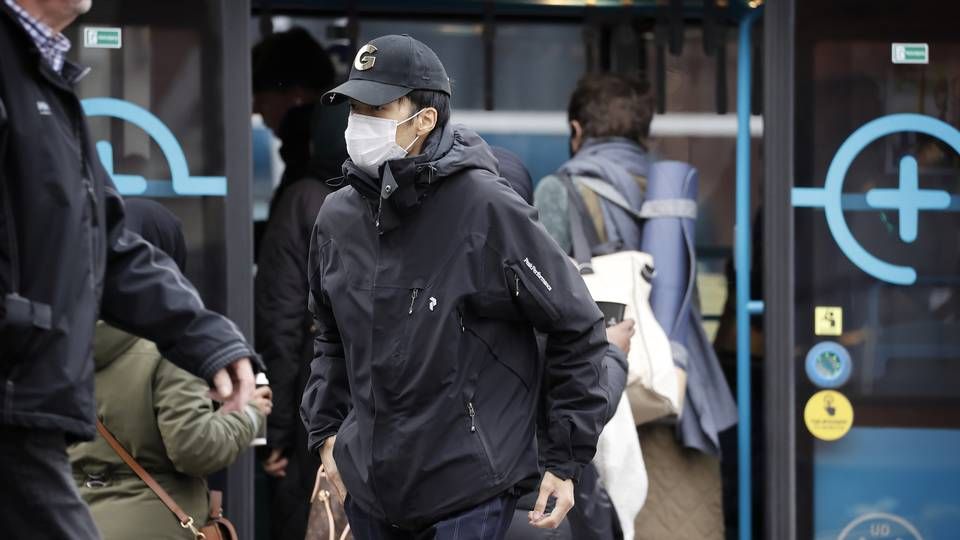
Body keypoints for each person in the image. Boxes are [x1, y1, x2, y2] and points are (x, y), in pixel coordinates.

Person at [300, 34, 610, 539]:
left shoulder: (485, 207)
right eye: (355, 105)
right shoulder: (337, 216)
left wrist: (565, 459)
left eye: (376, 107)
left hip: (467, 490)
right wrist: (328, 436)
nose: (359, 120)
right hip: (372, 492)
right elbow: (329, 336)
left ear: (424, 119)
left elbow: (576, 324)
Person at [0, 1, 259, 537]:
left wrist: (206, 338)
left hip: (27, 414)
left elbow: (106, 237)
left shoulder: (42, 72)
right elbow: (196, 445)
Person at [535, 74, 735, 540]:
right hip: (679, 392)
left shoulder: (559, 191)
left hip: (605, 391)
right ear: (643, 134)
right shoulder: (677, 196)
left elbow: (545, 302)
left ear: (578, 131)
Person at [68, 199, 273, 540]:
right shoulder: (172, 344)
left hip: (77, 523)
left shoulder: (63, 343)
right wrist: (250, 415)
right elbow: (195, 448)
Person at [251, 27, 348, 540]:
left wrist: (278, 435)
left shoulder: (302, 200)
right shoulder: (390, 203)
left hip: (316, 423)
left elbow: (283, 327)